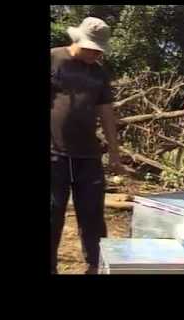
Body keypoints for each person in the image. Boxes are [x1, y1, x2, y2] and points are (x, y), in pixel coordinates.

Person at [51, 17, 124, 274]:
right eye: (92, 48)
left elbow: (106, 114)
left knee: (93, 214)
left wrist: (114, 152)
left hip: (88, 155)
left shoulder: (99, 73)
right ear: (78, 40)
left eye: (99, 49)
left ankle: (96, 265)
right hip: (54, 153)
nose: (96, 53)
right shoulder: (54, 59)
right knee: (52, 212)